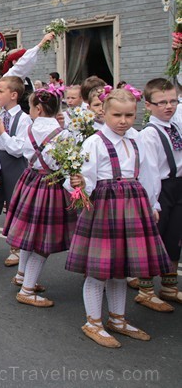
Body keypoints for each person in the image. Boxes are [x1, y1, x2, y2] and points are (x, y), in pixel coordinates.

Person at [65, 87, 172, 348]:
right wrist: (78, 185)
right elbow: (84, 179)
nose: (123, 121)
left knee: (121, 268)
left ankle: (117, 318)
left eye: (129, 115)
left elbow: (148, 175)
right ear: (104, 113)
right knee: (99, 269)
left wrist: (152, 204)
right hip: (104, 207)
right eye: (117, 115)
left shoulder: (137, 141)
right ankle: (93, 322)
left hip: (133, 205)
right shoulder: (95, 141)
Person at [0, 33, 54, 265]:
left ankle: (16, 247)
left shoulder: (24, 119)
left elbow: (19, 148)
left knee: (14, 205)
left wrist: (3, 133)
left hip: (16, 165)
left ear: (13, 95)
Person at [2, 87, 76, 307]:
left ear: (39, 108)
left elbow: (16, 150)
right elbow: (66, 165)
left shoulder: (29, 128)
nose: (29, 111)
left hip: (30, 181)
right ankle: (26, 289)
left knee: (30, 236)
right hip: (51, 185)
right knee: (43, 241)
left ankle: (23, 275)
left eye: (31, 107)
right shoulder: (63, 134)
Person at [134, 78, 182, 311]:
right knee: (155, 240)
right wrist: (152, 203)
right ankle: (146, 290)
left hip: (178, 186)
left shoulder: (176, 126)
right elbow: (150, 172)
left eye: (173, 101)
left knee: (174, 238)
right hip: (161, 190)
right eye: (162, 102)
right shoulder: (149, 135)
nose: (169, 106)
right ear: (148, 104)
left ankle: (169, 286)